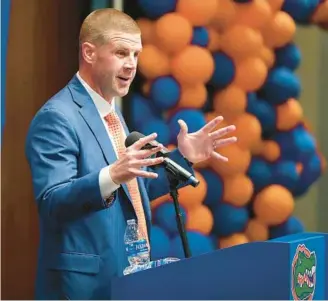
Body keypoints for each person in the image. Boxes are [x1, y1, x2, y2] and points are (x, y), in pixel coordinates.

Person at [25, 8, 237, 300]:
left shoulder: (112, 113)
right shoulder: (58, 117)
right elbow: (52, 202)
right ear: (89, 53)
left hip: (128, 282)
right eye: (121, 53)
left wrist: (183, 158)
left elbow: (131, 190)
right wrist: (111, 174)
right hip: (82, 289)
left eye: (136, 55)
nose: (131, 65)